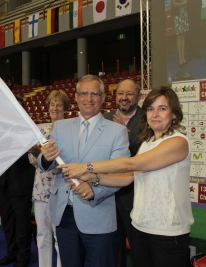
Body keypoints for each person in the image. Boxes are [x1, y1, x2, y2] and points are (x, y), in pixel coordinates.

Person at [60, 86, 194, 267]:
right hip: (140, 227)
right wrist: (91, 177)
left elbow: (130, 164)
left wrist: (85, 167)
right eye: (150, 109)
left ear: (174, 114)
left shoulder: (178, 141)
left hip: (169, 232)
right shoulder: (147, 143)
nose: (155, 114)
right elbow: (126, 178)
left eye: (162, 108)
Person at [38, 75, 130, 267]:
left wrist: (95, 190)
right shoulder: (61, 127)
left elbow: (120, 173)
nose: (89, 98)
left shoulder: (117, 131)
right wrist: (45, 157)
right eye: (84, 93)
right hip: (64, 215)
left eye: (94, 94)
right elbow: (45, 163)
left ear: (103, 98)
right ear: (77, 97)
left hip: (98, 214)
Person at [103, 79, 143, 267]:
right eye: (120, 93)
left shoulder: (148, 118)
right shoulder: (105, 117)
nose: (124, 98)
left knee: (138, 247)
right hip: (108, 195)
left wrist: (124, 132)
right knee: (114, 245)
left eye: (129, 94)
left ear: (138, 96)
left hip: (134, 195)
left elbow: (145, 151)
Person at [28, 90, 70, 267]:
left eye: (59, 104)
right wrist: (36, 152)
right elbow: (32, 161)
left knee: (60, 238)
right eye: (52, 104)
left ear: (65, 108)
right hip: (41, 191)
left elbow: (70, 159)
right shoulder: (41, 132)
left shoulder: (70, 132)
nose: (55, 107)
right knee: (42, 235)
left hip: (61, 191)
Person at [0, 95, 36, 267]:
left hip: (21, 184)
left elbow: (34, 157)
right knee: (8, 223)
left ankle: (23, 257)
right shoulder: (1, 129)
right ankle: (11, 253)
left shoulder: (30, 130)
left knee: (22, 225)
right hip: (3, 184)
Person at [172, 0, 189, 67]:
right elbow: (174, 4)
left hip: (184, 13)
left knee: (183, 35)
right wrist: (183, 3)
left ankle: (183, 58)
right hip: (178, 14)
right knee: (179, 36)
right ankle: (180, 59)